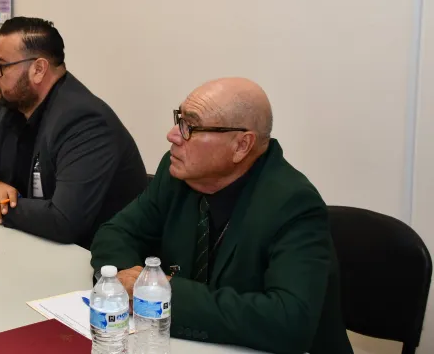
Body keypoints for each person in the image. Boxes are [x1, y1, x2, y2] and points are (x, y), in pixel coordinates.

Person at [90, 78, 353, 353]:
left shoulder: (294, 204)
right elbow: (116, 233)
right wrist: (126, 285)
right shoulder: (177, 173)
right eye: (179, 119)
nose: (173, 135)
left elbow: (289, 320)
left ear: (241, 145)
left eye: (190, 127)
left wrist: (157, 293)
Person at [0, 17, 147, 249]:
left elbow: (64, 220)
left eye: (1, 66)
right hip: (32, 243)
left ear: (38, 69)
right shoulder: (9, 109)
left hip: (97, 257)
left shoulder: (84, 121)